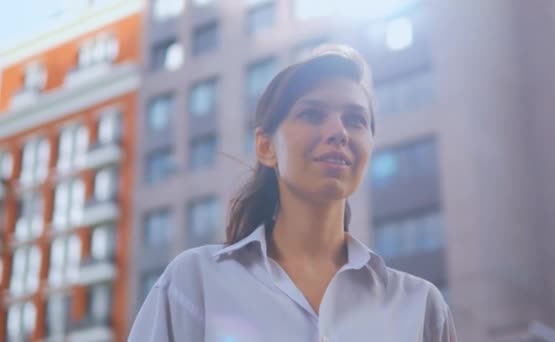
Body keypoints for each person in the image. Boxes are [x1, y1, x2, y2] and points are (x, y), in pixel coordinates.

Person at [129, 45, 457, 341]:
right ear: (266, 146)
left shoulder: (421, 306)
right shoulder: (193, 282)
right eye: (311, 114)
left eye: (355, 120)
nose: (338, 132)